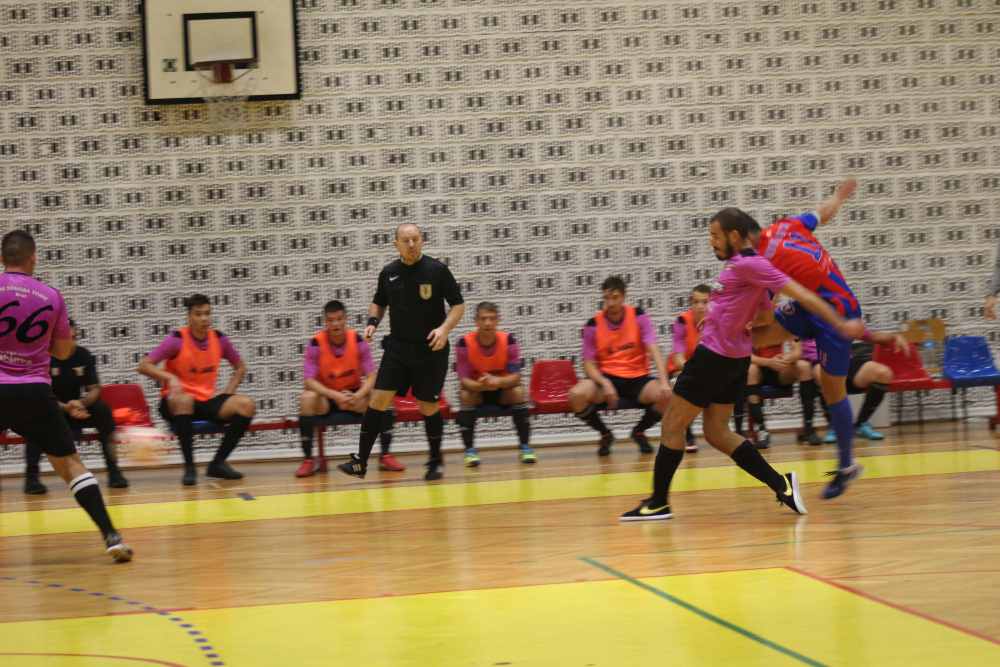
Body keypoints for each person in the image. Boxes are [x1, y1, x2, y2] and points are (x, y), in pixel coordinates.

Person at [621, 208, 863, 521]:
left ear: (734, 236)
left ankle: (658, 502)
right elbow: (764, 314)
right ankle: (781, 485)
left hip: (713, 358)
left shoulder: (752, 264)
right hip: (734, 359)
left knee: (672, 425)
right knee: (717, 432)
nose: (711, 241)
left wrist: (839, 323)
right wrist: (722, 316)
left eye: (715, 236)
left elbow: (803, 295)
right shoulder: (744, 265)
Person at [0, 230, 131, 561]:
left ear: (2, 258)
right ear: (33, 257)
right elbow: (62, 351)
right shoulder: (51, 296)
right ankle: (111, 536)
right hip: (33, 390)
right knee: (69, 464)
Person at [749, 177, 867, 498]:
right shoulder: (787, 225)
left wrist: (740, 318)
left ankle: (847, 465)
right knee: (755, 338)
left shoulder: (762, 261)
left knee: (832, 390)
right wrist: (839, 197)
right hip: (809, 306)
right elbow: (822, 213)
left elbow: (765, 312)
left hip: (838, 312)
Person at [338, 223, 465, 481]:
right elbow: (379, 302)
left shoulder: (437, 270)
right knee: (378, 400)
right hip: (397, 348)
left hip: (430, 349)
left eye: (415, 239)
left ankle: (435, 461)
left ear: (422, 241)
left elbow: (458, 305)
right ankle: (360, 462)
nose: (411, 244)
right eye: (406, 240)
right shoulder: (389, 273)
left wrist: (444, 329)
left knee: (427, 405)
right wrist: (372, 322)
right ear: (396, 244)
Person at [137, 294, 255, 486]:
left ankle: (217, 464)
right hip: (175, 401)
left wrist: (228, 392)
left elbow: (240, 367)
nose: (204, 318)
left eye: (207, 313)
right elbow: (144, 365)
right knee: (184, 400)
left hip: (205, 401)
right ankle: (190, 467)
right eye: (198, 314)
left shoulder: (219, 339)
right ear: (189, 316)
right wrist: (169, 378)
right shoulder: (176, 339)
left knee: (246, 405)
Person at [296, 300, 403, 477]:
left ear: (345, 319)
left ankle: (385, 455)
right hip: (327, 397)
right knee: (306, 398)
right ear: (325, 322)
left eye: (339, 319)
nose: (335, 324)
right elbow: (309, 381)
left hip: (353, 395)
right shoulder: (315, 343)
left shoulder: (358, 340)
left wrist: (358, 395)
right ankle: (308, 460)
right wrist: (334, 395)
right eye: (331, 320)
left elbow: (372, 376)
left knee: (384, 397)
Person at [568, 275, 670, 456]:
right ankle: (605, 434)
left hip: (637, 378)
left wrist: (664, 382)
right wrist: (605, 382)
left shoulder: (638, 316)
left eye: (615, 297)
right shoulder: (593, 325)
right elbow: (588, 365)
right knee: (576, 395)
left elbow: (654, 350)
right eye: (606, 298)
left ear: (623, 296)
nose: (610, 303)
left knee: (668, 396)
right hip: (608, 379)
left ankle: (639, 431)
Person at [23, 319, 129, 494]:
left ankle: (114, 472)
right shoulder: (42, 357)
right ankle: (31, 478)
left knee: (102, 410)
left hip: (78, 408)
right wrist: (65, 407)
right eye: (65, 338)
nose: (70, 342)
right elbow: (40, 393)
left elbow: (94, 388)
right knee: (35, 417)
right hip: (51, 408)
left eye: (73, 337)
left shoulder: (83, 355)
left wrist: (81, 403)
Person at [455, 301, 535, 467]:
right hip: (478, 391)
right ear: (476, 321)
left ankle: (525, 447)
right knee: (464, 395)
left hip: (502, 390)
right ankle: (470, 450)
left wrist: (497, 381)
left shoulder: (509, 340)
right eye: (483, 319)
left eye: (492, 318)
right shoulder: (464, 343)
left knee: (519, 392)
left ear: (498, 320)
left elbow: (516, 377)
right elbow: (464, 380)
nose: (488, 323)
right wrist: (482, 385)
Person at [815, 332, 909, 444]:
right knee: (818, 370)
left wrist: (895, 336)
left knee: (883, 373)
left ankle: (861, 424)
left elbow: (875, 336)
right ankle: (835, 426)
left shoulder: (851, 326)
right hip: (831, 366)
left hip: (855, 365)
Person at [743, 339, 814, 449]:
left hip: (781, 369)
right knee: (750, 370)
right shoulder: (748, 328)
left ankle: (808, 428)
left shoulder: (787, 327)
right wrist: (769, 362)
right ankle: (762, 430)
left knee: (804, 366)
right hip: (759, 369)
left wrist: (786, 358)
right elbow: (745, 356)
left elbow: (798, 351)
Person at [669, 285, 710, 452]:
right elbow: (678, 358)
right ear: (690, 303)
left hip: (705, 370)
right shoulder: (682, 321)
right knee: (684, 382)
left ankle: (739, 431)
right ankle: (688, 433)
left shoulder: (718, 322)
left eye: (705, 302)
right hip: (682, 369)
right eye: (696, 302)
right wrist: (694, 371)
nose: (700, 306)